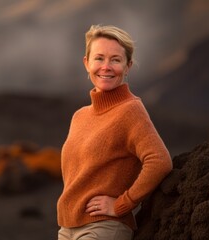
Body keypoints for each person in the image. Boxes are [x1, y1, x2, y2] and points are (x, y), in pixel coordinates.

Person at [57, 24, 173, 240]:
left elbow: (159, 160)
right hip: (67, 229)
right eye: (99, 58)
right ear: (86, 63)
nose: (106, 66)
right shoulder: (80, 116)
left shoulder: (130, 110)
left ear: (128, 66)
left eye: (116, 60)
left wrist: (122, 204)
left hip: (104, 228)